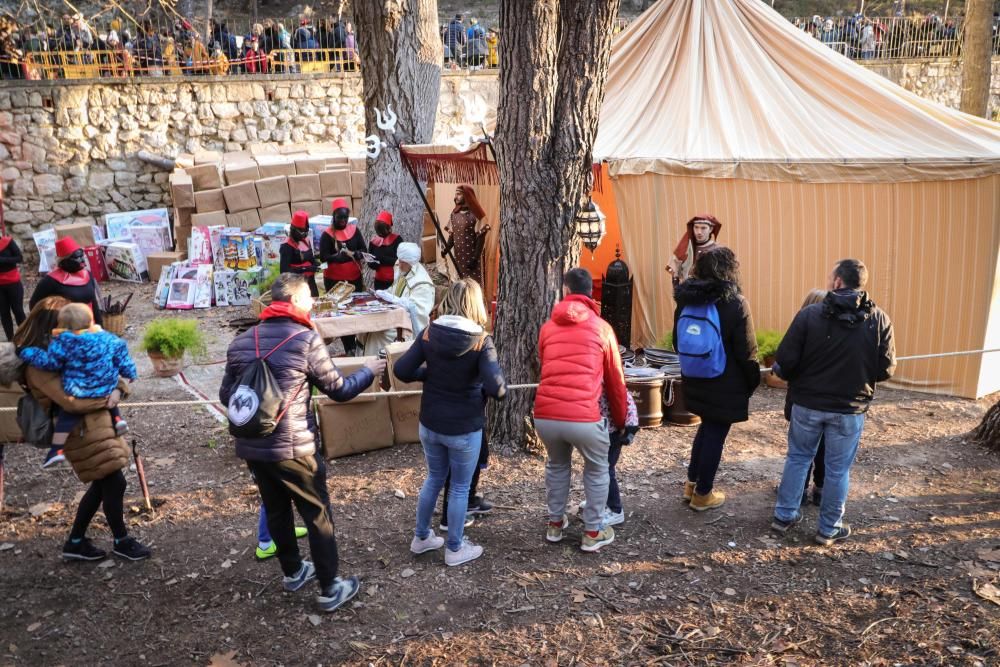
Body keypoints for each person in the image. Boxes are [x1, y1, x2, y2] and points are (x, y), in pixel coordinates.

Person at [220, 273, 385, 612]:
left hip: (253, 446)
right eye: (309, 296)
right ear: (295, 301)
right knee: (316, 513)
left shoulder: (241, 342)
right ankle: (329, 588)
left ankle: (293, 571)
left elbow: (227, 395)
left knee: (277, 509)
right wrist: (368, 370)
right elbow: (339, 390)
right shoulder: (304, 339)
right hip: (294, 447)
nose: (312, 302)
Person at [11, 297, 150, 561]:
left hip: (98, 427)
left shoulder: (68, 350)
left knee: (104, 484)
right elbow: (71, 401)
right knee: (114, 482)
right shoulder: (38, 365)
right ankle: (121, 541)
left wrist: (118, 389)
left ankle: (76, 542)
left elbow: (103, 373)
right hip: (79, 431)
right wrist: (112, 392)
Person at [771, 260, 895, 546]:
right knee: (838, 469)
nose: (829, 280)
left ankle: (784, 515)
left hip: (808, 404)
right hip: (849, 409)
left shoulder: (809, 315)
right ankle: (828, 528)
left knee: (798, 458)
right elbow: (886, 369)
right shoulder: (880, 319)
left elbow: (786, 361)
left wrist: (785, 372)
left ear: (838, 281)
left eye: (831, 276)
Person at [395, 279, 506, 566]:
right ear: (476, 304)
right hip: (463, 427)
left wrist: (429, 375)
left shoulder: (431, 332)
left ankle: (421, 538)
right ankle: (455, 548)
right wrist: (491, 385)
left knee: (433, 478)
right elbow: (497, 389)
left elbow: (402, 369)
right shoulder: (481, 340)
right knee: (458, 487)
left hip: (430, 422)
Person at [534, 268, 627, 552]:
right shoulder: (603, 329)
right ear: (591, 293)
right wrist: (622, 420)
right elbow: (615, 382)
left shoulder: (547, 328)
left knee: (557, 464)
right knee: (598, 469)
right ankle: (592, 531)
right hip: (584, 417)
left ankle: (554, 524)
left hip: (546, 415)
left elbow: (544, 366)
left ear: (565, 290)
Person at [673, 247, 759, 511]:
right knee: (715, 433)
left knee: (706, 428)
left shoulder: (686, 300)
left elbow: (677, 342)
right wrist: (751, 381)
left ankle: (691, 485)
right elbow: (747, 351)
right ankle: (703, 494)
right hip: (725, 380)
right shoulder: (735, 303)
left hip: (694, 376)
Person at [20, 302, 136, 467]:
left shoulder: (64, 343)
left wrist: (27, 352)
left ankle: (56, 449)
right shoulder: (108, 339)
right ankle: (118, 419)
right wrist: (125, 379)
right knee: (107, 393)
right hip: (105, 390)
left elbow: (51, 363)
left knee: (66, 418)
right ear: (91, 321)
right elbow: (124, 361)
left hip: (79, 391)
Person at [362, 242, 436, 356]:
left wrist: (392, 299)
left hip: (408, 326)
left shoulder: (422, 284)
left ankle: (380, 366)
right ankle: (367, 363)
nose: (399, 265)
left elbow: (416, 311)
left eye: (402, 263)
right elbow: (394, 289)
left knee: (379, 333)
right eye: (399, 260)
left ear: (411, 263)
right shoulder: (403, 269)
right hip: (395, 317)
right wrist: (384, 293)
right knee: (368, 326)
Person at [579, 389, 639, 526]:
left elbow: (626, 399)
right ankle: (596, 501)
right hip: (594, 431)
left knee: (606, 471)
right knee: (593, 468)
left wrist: (630, 429)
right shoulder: (589, 378)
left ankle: (615, 509)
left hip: (611, 434)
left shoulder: (610, 379)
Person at [319, 198, 366, 355]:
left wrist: (359, 254)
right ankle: (348, 346)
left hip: (354, 278)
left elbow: (363, 248)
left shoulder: (354, 230)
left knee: (354, 309)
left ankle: (354, 341)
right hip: (334, 280)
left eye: (345, 217)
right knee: (341, 311)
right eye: (340, 218)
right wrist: (336, 257)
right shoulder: (327, 235)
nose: (343, 221)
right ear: (334, 216)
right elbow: (323, 257)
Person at [30, 237, 102, 327]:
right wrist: (46, 327)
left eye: (82, 256)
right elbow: (34, 305)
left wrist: (100, 327)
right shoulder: (51, 280)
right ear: (64, 260)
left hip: (89, 325)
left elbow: (93, 302)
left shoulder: (87, 274)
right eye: (77, 257)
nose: (82, 260)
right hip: (65, 329)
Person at [446, 185, 490, 288]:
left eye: (459, 194)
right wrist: (447, 248)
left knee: (473, 286)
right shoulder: (454, 214)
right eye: (455, 194)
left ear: (467, 196)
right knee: (460, 285)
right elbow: (453, 234)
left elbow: (481, 238)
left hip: (472, 259)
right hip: (459, 258)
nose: (455, 197)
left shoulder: (477, 215)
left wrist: (475, 259)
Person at [666, 214, 721, 285]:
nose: (699, 232)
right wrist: (677, 289)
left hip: (709, 291)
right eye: (696, 227)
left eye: (703, 228)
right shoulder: (685, 247)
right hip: (688, 290)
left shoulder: (717, 250)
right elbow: (674, 270)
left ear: (710, 229)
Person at [281, 211, 319, 297]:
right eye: (302, 232)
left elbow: (310, 257)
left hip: (310, 282)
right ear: (293, 230)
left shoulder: (306, 240)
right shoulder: (286, 246)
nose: (304, 235)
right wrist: (305, 269)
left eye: (306, 232)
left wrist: (315, 263)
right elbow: (284, 270)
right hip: (296, 285)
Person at [367, 210, 402, 291]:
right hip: (379, 281)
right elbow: (370, 262)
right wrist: (372, 263)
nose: (380, 233)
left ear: (389, 228)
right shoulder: (373, 242)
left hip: (394, 280)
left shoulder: (397, 240)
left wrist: (382, 259)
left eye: (382, 230)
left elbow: (400, 261)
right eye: (378, 230)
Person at [0, 233, 25, 341]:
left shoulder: (8, 242)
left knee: (18, 310)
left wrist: (3, 260)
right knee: (4, 312)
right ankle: (10, 339)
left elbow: (19, 258)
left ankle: (25, 336)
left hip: (13, 281)